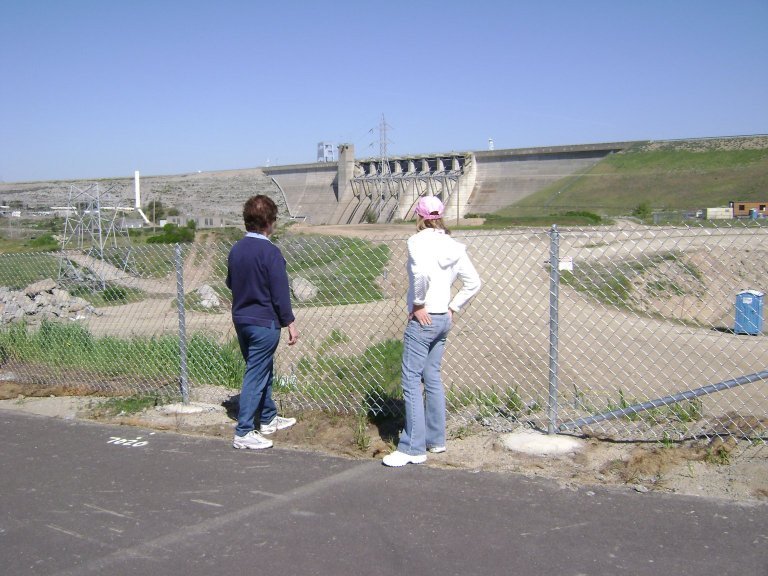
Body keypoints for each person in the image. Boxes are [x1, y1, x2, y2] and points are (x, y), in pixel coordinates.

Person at [383, 195, 481, 467]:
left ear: (420, 217)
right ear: (440, 216)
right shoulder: (453, 245)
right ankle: (436, 440)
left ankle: (413, 447)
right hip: (443, 318)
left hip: (423, 318)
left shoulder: (417, 242)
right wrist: (453, 307)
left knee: (411, 379)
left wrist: (418, 304)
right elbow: (473, 283)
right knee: (432, 375)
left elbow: (421, 276)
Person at [227, 195, 299, 450]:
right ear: (269, 222)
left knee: (261, 368)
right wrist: (289, 322)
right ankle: (244, 431)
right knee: (256, 375)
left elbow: (230, 283)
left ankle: (267, 417)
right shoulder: (271, 253)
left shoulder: (236, 249)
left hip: (241, 319)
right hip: (264, 323)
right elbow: (280, 293)